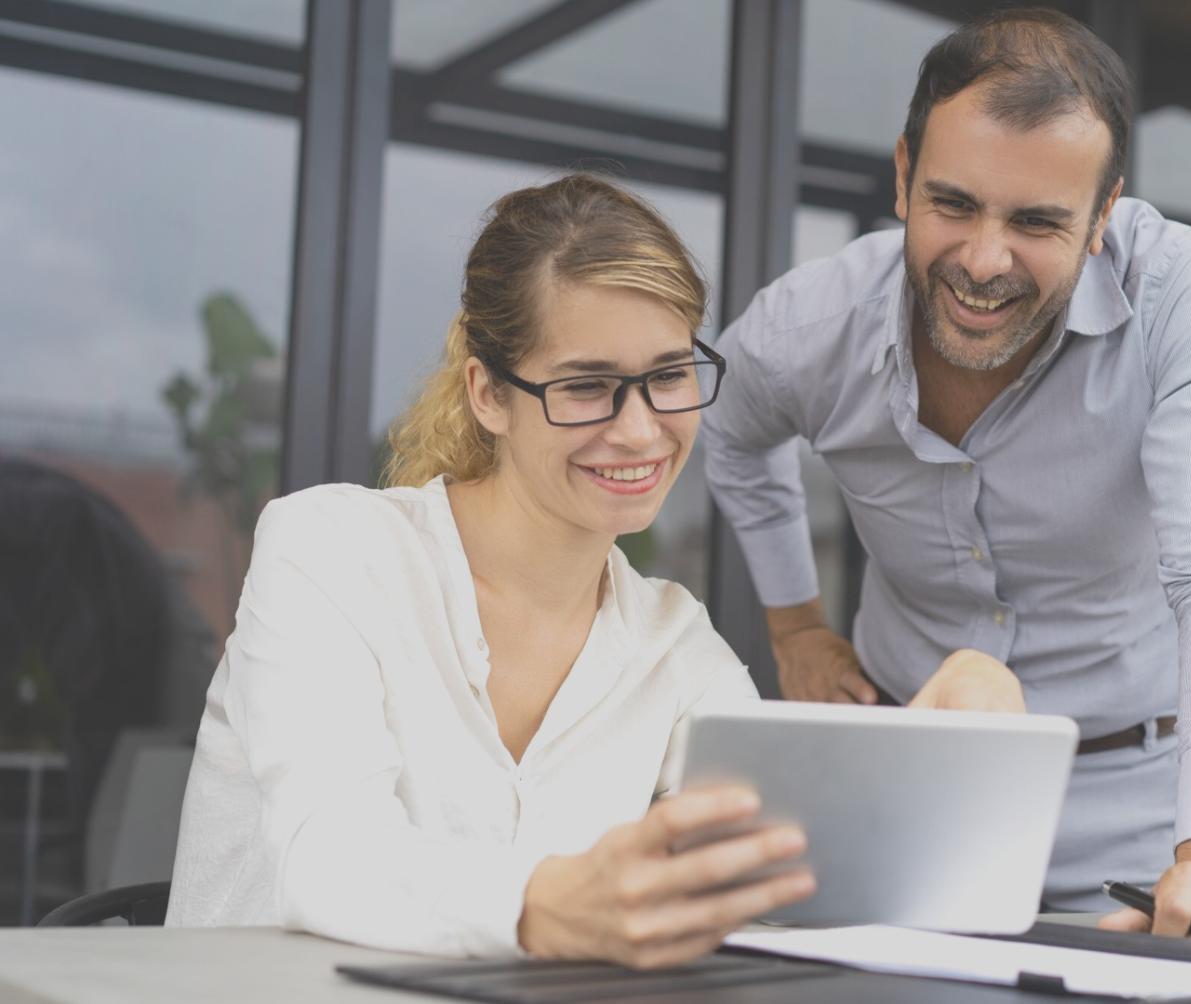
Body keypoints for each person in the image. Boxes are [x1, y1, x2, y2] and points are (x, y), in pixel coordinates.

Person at [700, 8, 1191, 946]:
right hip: (909, 786)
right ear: (903, 177)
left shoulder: (1187, 295)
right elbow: (734, 441)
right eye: (953, 204)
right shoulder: (802, 329)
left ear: (1103, 216)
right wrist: (795, 628)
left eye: (1034, 222)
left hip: (1139, 807)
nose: (983, 262)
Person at [166, 175, 832, 965]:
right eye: (587, 386)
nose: (640, 429)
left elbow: (793, 876)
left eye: (668, 375)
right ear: (488, 394)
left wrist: (954, 730)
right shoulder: (329, 551)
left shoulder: (675, 645)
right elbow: (330, 857)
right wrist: (546, 905)